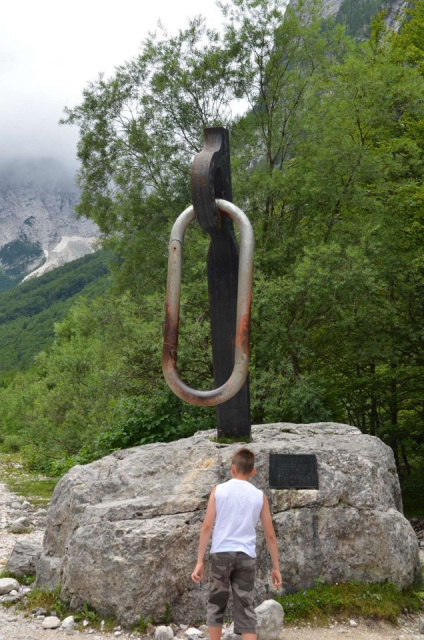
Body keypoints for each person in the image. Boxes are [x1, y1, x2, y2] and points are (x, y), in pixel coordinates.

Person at [191, 447, 282, 640]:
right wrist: (276, 567)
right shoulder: (259, 496)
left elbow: (207, 526)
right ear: (253, 471)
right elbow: (270, 534)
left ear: (233, 469)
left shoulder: (219, 491)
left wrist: (200, 561)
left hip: (221, 554)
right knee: (245, 609)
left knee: (216, 604)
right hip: (246, 556)